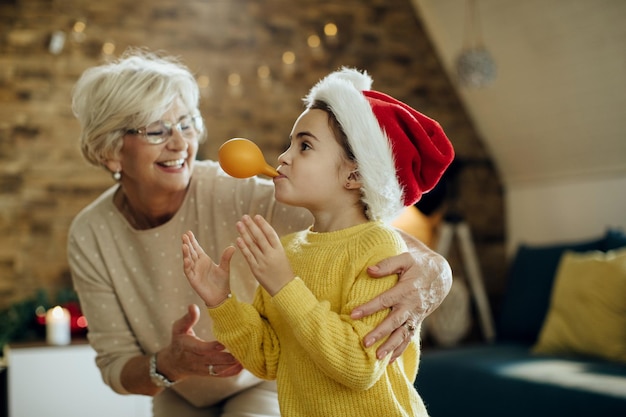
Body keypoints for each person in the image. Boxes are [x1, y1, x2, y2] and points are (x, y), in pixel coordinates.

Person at [67, 48, 452, 417]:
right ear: (110, 150)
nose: (181, 142)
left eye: (186, 123)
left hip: (277, 382)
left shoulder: (242, 194)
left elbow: (365, 235)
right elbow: (117, 366)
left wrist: (438, 270)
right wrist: (177, 354)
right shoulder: (90, 234)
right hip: (182, 387)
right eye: (156, 130)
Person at [182, 68, 454, 416]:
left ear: (355, 174)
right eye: (290, 143)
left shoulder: (380, 247)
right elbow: (270, 360)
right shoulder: (289, 249)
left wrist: (284, 284)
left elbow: (359, 366)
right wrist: (222, 301)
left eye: (305, 145)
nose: (283, 157)